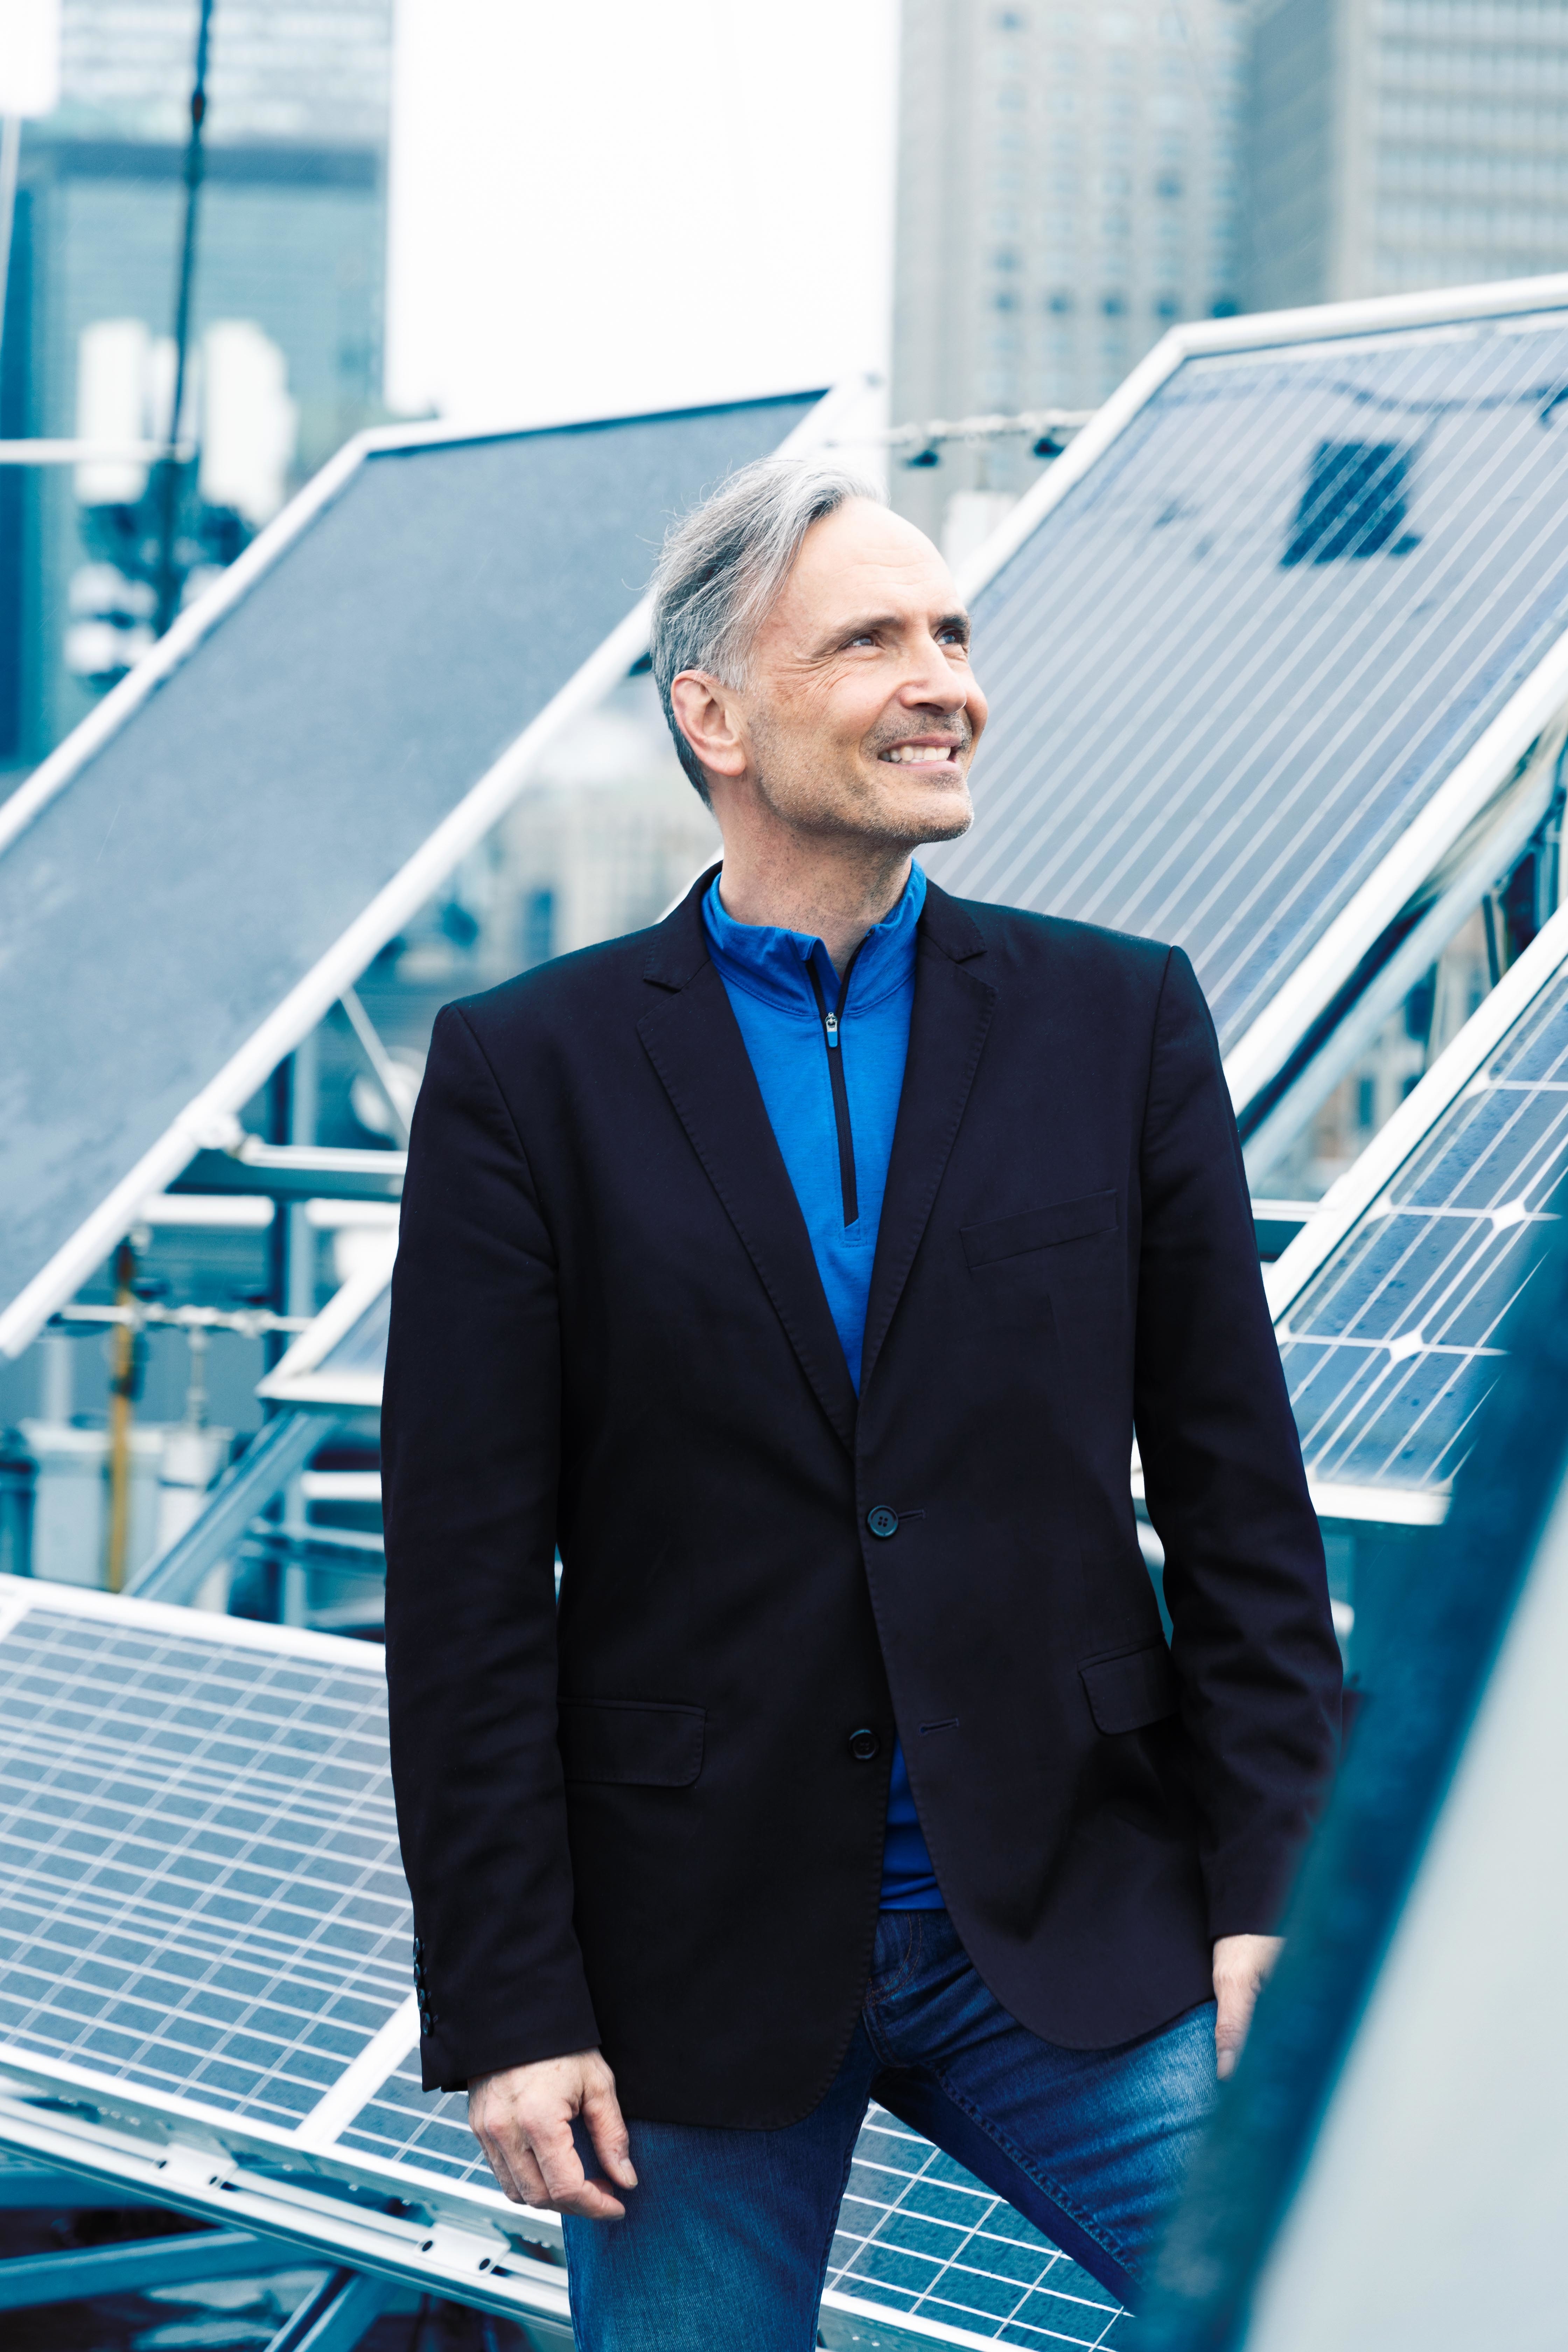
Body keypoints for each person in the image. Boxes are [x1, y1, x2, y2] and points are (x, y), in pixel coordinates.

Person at [382, 459, 1342, 2349]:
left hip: (1084, 1916)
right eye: (876, 639)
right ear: (715, 718)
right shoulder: (529, 1075)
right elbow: (465, 1589)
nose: (946, 680)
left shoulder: (1120, 1024)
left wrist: (1278, 1889)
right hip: (684, 1954)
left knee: (1344, 2300)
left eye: (955, 635)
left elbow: (1242, 1507)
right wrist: (512, 2005)